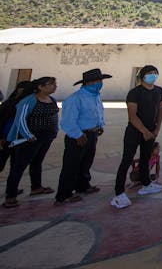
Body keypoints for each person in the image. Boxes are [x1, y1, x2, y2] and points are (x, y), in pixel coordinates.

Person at [112, 65, 162, 209]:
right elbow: (132, 116)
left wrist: (157, 128)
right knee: (126, 160)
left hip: (151, 132)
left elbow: (160, 111)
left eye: (155, 72)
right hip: (134, 132)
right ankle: (119, 193)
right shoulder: (134, 93)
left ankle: (146, 183)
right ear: (142, 76)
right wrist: (144, 131)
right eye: (150, 73)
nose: (153, 75)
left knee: (145, 158)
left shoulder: (159, 91)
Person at [3, 77, 59, 208]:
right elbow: (20, 120)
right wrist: (28, 135)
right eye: (51, 84)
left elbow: (54, 116)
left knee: (37, 162)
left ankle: (36, 187)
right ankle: (10, 195)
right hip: (30, 139)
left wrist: (54, 131)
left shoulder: (52, 99)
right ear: (40, 87)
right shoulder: (28, 101)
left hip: (46, 137)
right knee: (19, 166)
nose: (55, 86)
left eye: (55, 84)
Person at [55, 69, 109, 204]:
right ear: (88, 83)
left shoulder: (96, 96)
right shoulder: (75, 98)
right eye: (96, 81)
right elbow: (68, 121)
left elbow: (98, 112)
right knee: (71, 165)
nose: (99, 83)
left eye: (100, 81)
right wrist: (77, 134)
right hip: (79, 135)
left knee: (86, 162)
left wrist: (99, 125)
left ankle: (83, 185)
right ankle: (64, 194)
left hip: (92, 133)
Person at [0, 81, 36, 175]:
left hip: (20, 139)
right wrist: (2, 137)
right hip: (7, 139)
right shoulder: (11, 104)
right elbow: (6, 122)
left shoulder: (28, 104)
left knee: (16, 165)